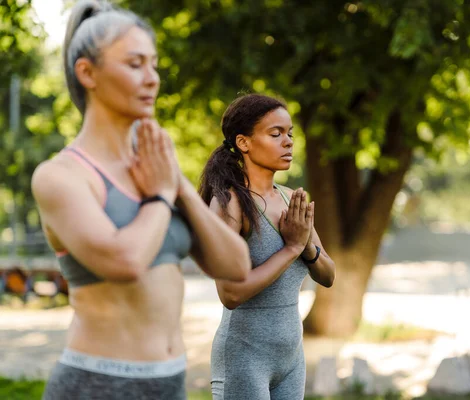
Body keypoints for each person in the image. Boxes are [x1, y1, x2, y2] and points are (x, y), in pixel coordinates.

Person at [32, 1, 250, 399]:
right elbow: (125, 261)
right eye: (135, 65)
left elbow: (235, 264)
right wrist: (160, 195)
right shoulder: (60, 176)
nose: (152, 79)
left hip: (169, 382)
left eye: (154, 65)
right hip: (98, 383)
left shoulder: (154, 169)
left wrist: (178, 184)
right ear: (87, 72)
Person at [199, 94, 336, 399]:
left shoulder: (291, 199)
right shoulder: (229, 204)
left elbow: (328, 276)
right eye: (275, 134)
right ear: (244, 142)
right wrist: (290, 249)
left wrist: (306, 249)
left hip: (291, 358)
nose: (287, 142)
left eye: (290, 134)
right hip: (244, 359)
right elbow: (230, 294)